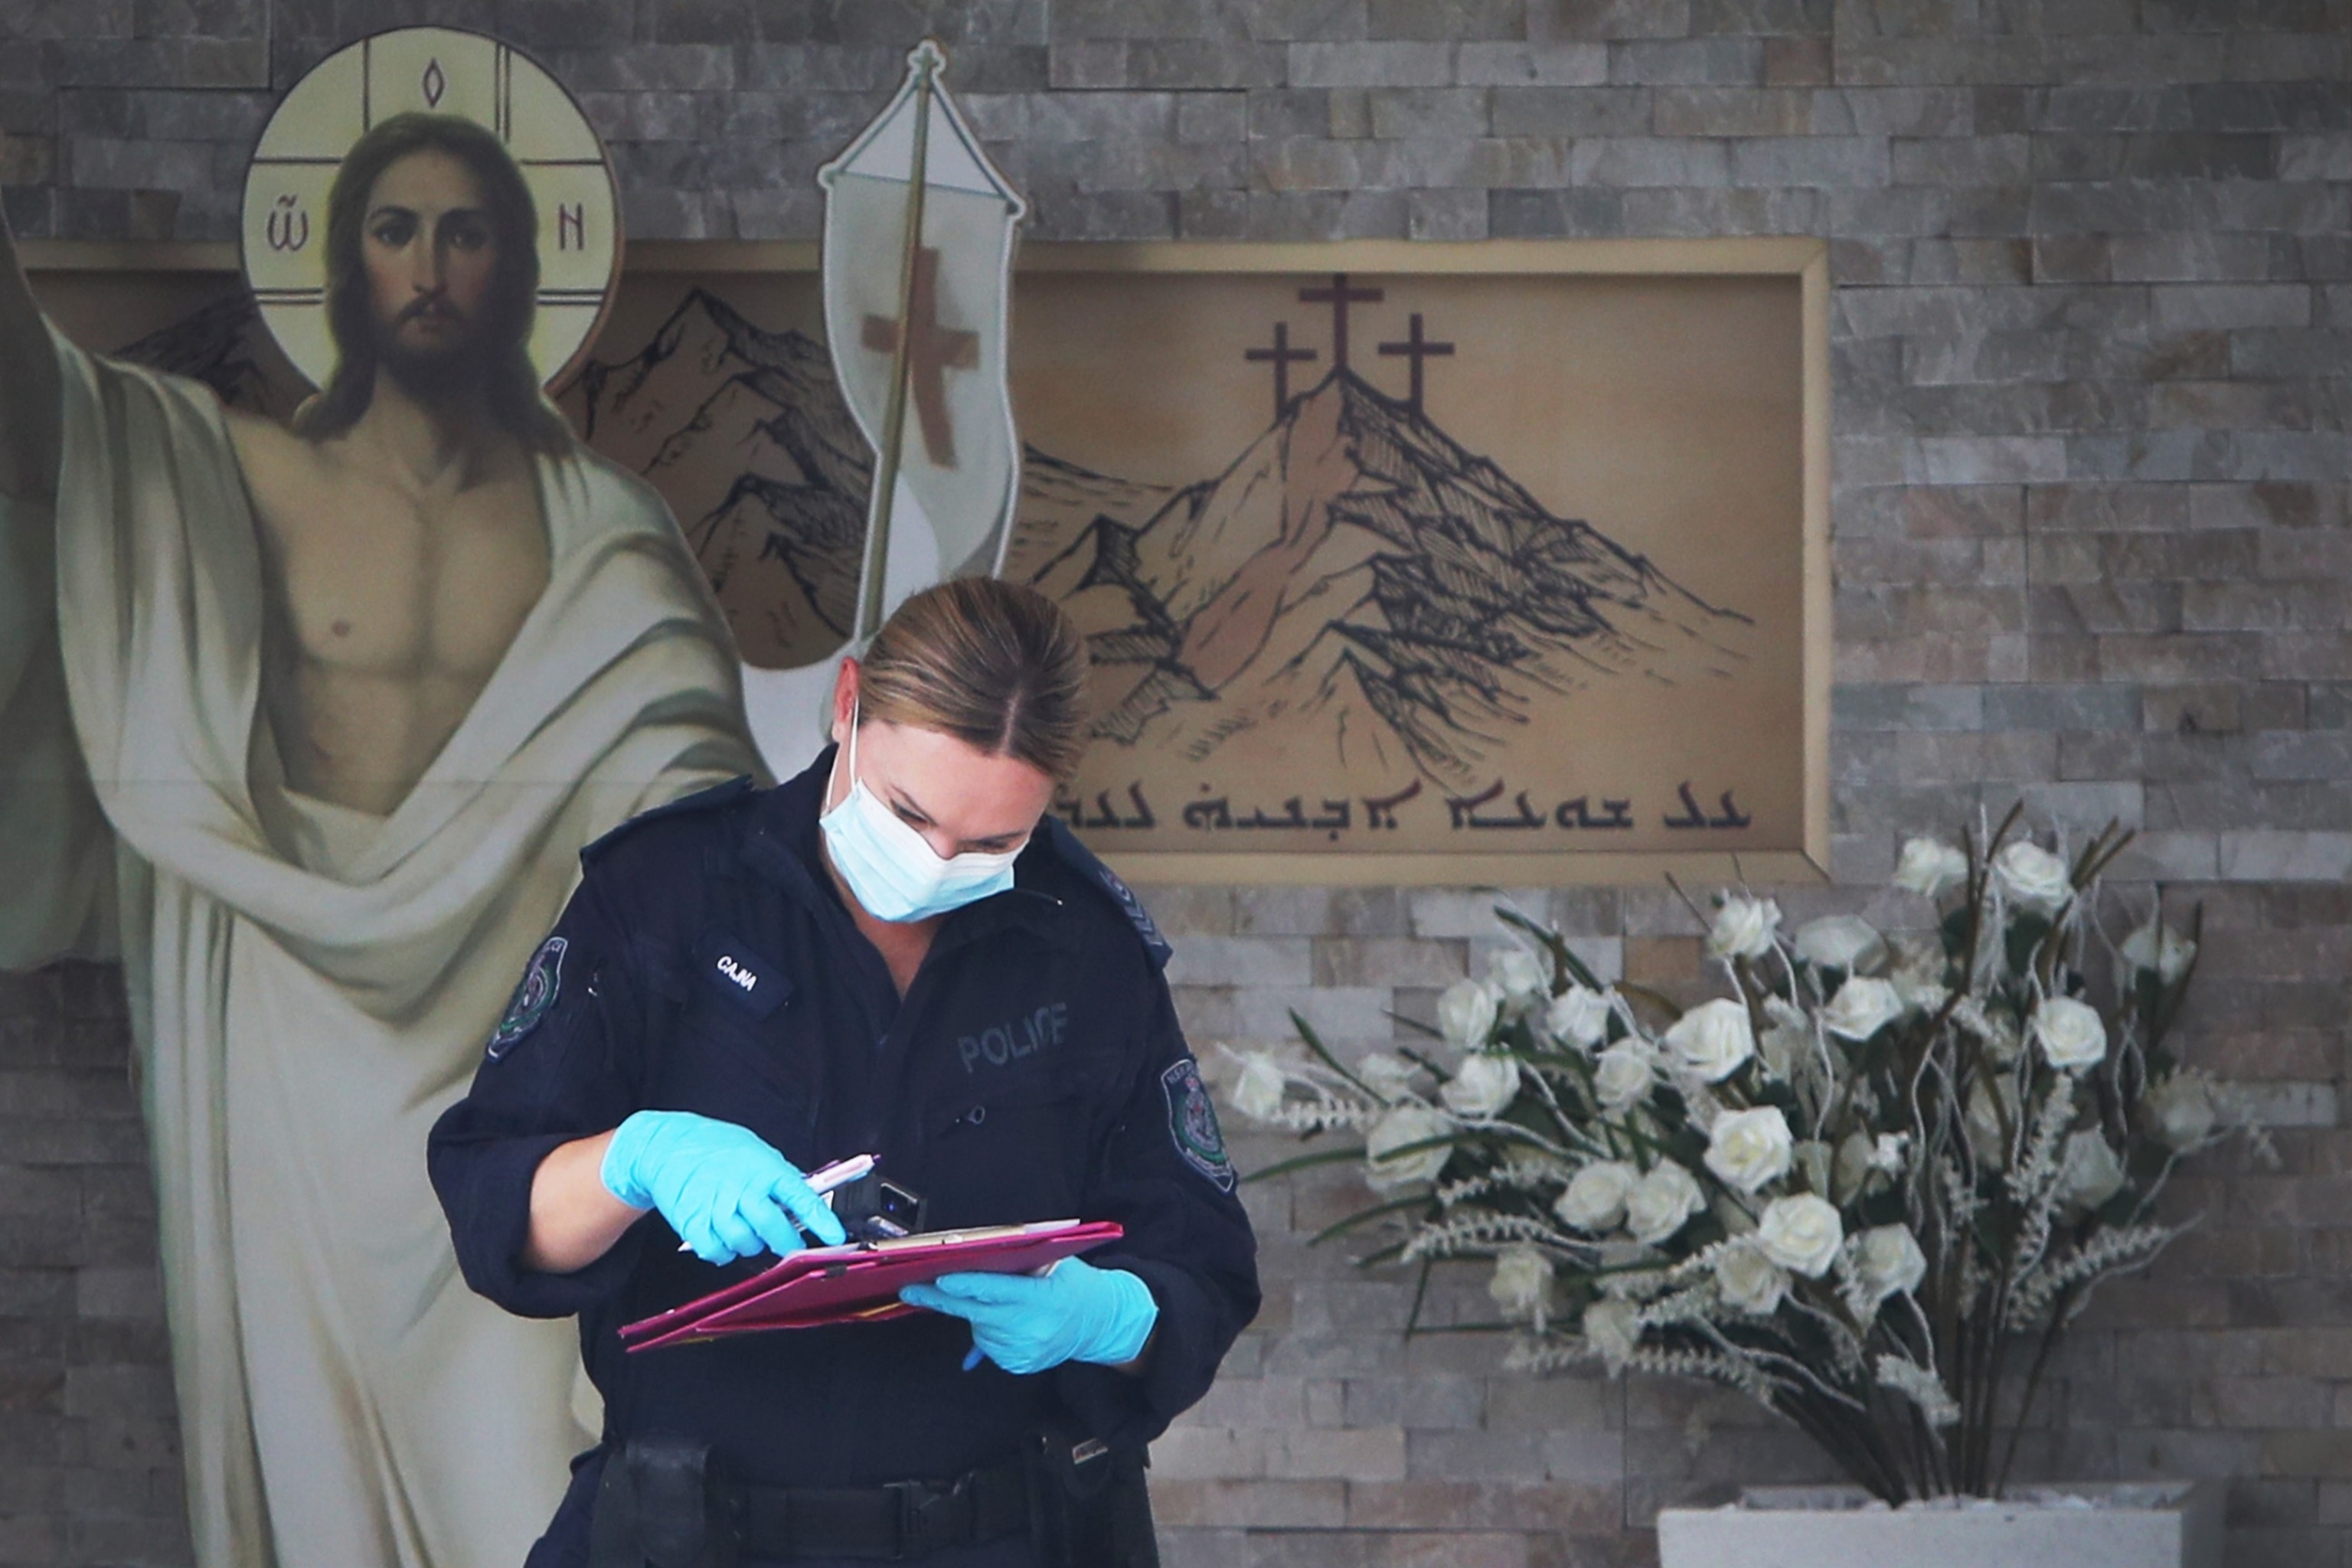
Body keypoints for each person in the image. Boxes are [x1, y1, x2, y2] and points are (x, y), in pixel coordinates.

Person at [0, 113, 759, 1568]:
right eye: (395, 229)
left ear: (521, 272)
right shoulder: (229, 478)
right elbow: (37, 411)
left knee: (524, 1465)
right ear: (340, 268)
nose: (430, 266)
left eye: (466, 231)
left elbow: (691, 802)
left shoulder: (600, 528)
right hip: (288, 1045)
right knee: (312, 1485)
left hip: (521, 1049)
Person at [429, 577, 1260, 1567]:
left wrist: (1111, 1315)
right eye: (908, 813)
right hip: (694, 1533)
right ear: (847, 703)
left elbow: (1202, 1268)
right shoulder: (666, 894)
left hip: (1014, 1530)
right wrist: (636, 1158)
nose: (937, 861)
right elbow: (496, 1209)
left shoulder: (1084, 947)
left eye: (993, 841)